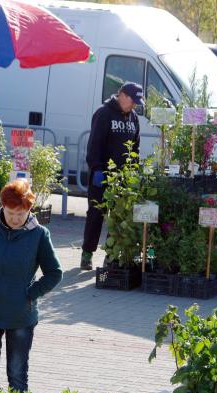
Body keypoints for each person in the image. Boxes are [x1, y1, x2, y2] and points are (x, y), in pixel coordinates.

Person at [0, 179, 62, 392]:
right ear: (2, 207)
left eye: (21, 214)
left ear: (29, 210)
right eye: (11, 213)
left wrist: (30, 294)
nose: (15, 219)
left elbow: (55, 273)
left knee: (17, 374)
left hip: (21, 315)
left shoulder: (39, 234)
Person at [80, 82, 143, 270]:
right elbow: (94, 145)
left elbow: (135, 148)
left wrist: (133, 170)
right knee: (95, 214)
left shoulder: (134, 118)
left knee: (117, 217)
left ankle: (110, 255)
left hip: (122, 177)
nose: (134, 105)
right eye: (133, 100)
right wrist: (97, 168)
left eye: (137, 103)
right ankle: (87, 254)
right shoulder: (103, 114)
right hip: (102, 175)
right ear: (121, 95)